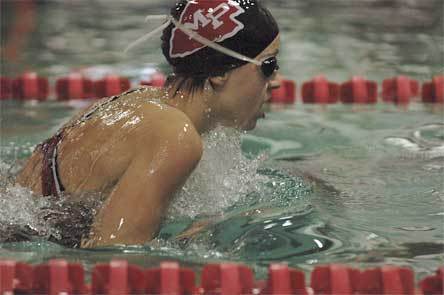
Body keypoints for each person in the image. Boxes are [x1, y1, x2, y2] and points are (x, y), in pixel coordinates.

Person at [15, 0, 281, 248]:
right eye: (269, 65)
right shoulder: (175, 135)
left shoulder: (140, 101)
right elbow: (114, 259)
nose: (278, 81)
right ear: (220, 72)